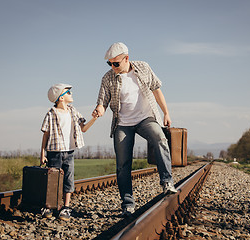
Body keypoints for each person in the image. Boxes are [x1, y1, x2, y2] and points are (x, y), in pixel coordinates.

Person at [92, 42, 177, 217]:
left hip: (145, 118)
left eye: (116, 63)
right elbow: (102, 101)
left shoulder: (143, 67)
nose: (113, 67)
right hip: (122, 123)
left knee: (160, 138)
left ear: (126, 58)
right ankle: (128, 204)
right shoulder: (107, 78)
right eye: (110, 64)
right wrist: (100, 108)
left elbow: (157, 90)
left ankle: (167, 182)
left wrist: (166, 113)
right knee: (123, 164)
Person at [40, 83, 97, 221]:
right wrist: (42, 154)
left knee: (68, 180)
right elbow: (45, 135)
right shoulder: (51, 113)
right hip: (54, 152)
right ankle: (49, 206)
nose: (71, 94)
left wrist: (94, 118)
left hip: (69, 152)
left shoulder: (73, 111)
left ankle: (65, 207)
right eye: (68, 92)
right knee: (53, 180)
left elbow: (83, 128)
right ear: (60, 98)